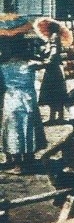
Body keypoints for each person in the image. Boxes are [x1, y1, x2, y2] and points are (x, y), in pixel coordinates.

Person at [0, 14, 47, 173]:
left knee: (14, 130)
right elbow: (49, 62)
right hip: (28, 99)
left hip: (12, 100)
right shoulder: (31, 63)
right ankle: (29, 159)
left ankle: (17, 163)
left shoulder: (3, 66)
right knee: (28, 128)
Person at [34, 17, 71, 124]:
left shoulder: (54, 37)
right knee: (55, 92)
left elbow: (54, 52)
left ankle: (57, 117)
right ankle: (56, 116)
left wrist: (47, 61)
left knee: (55, 92)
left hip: (53, 68)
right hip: (52, 68)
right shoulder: (51, 38)